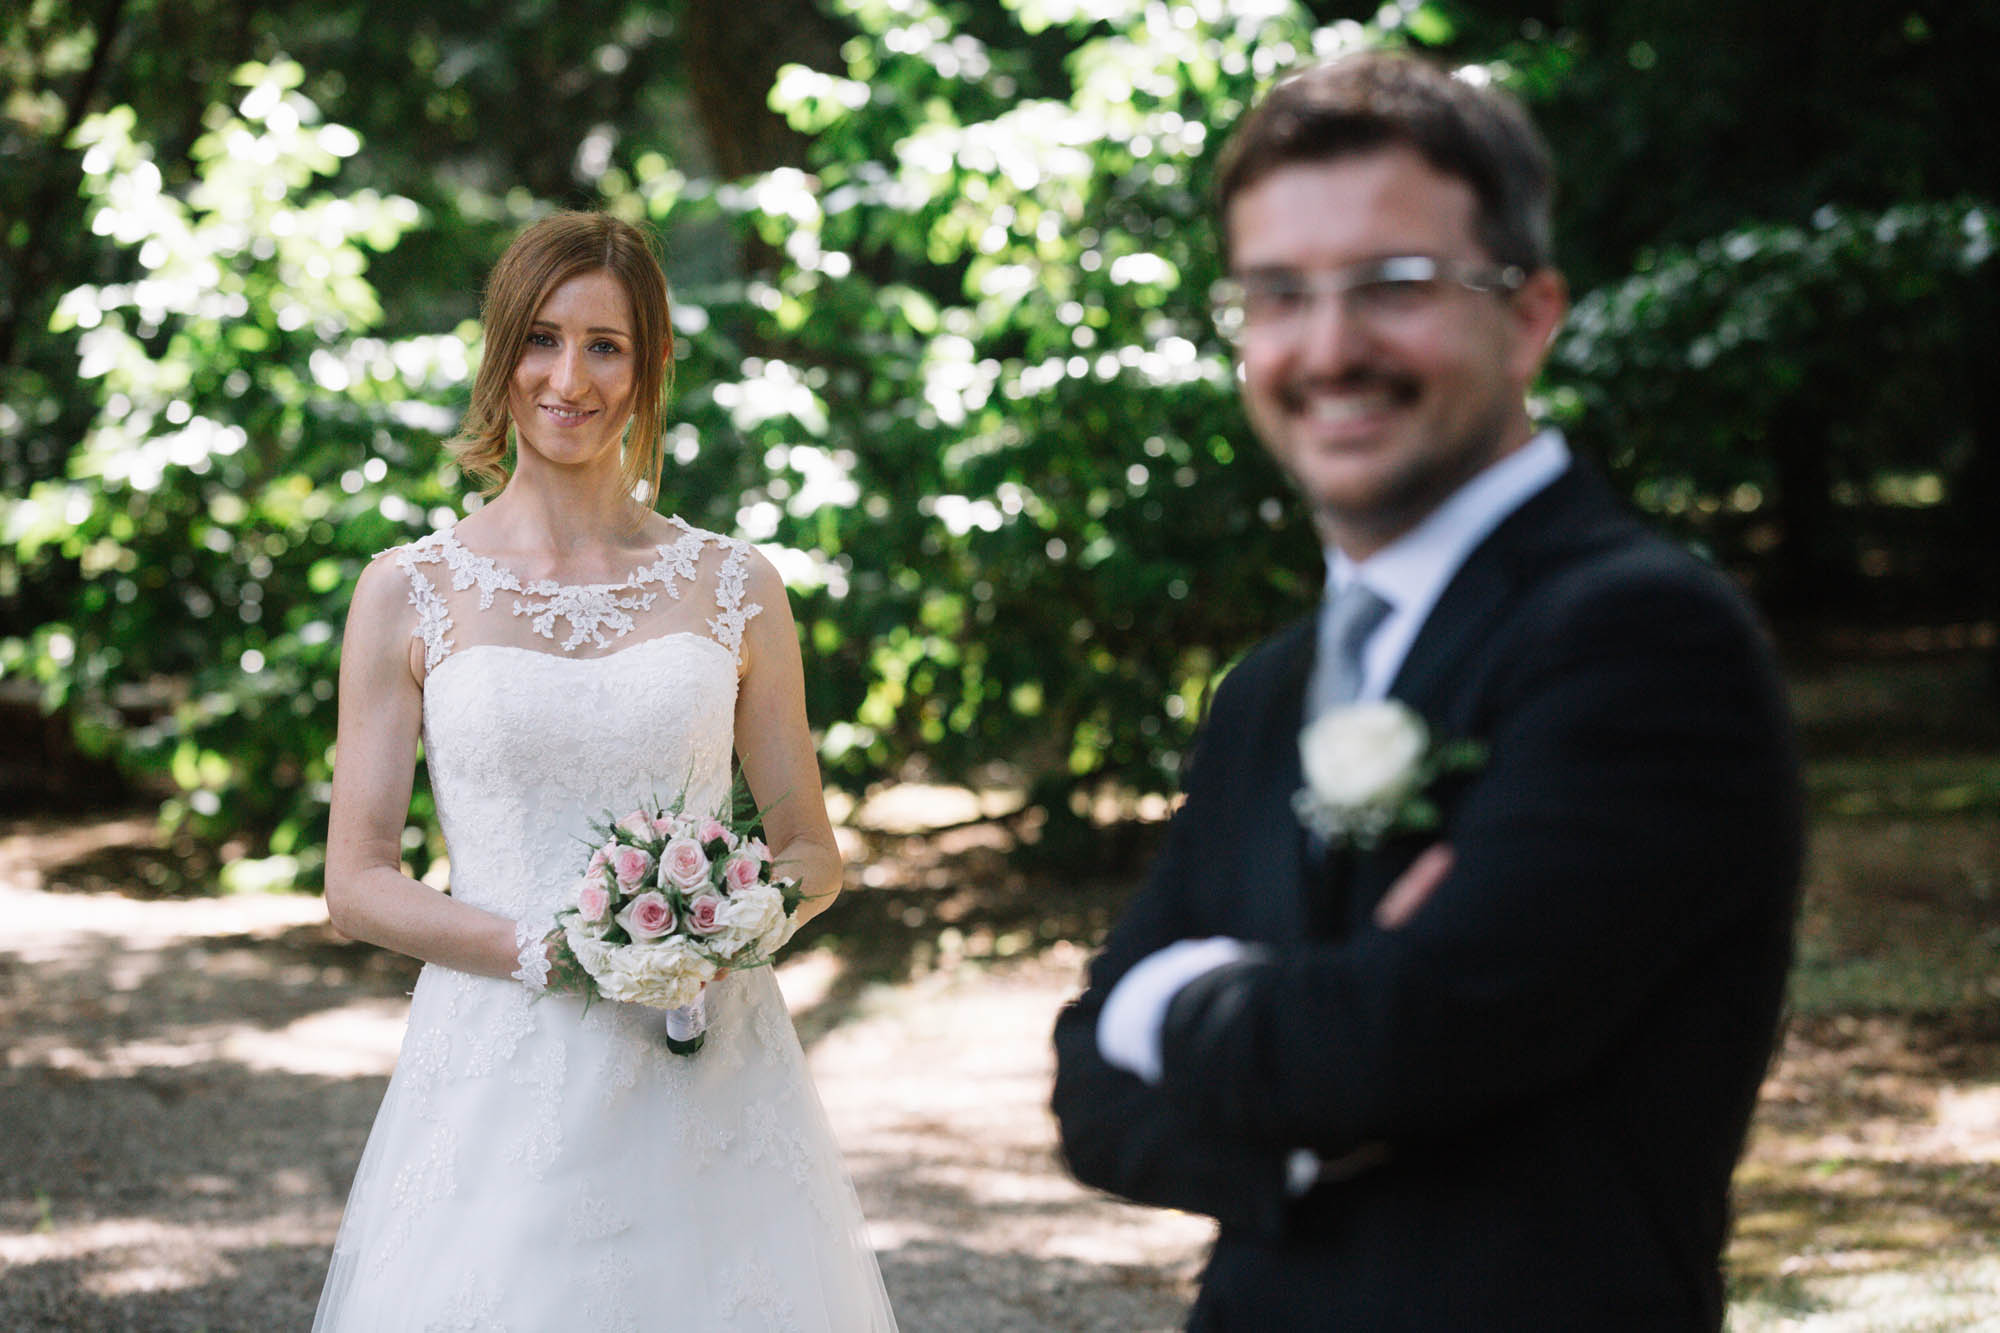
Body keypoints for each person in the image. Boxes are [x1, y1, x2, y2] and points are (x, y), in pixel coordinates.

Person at [1051, 50, 1800, 1331]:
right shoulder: (1263, 693)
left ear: (1527, 314)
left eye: (1391, 284)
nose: (1328, 347)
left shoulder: (1639, 636)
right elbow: (1085, 1096)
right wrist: (1304, 1089)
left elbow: (1400, 1040)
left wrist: (1165, 1002)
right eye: (1277, 295)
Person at [315, 212, 898, 1331]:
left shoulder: (736, 584)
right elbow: (358, 883)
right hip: (494, 1065)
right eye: (539, 338)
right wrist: (557, 950)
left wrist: (726, 930)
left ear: (651, 364)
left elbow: (810, 849)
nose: (566, 378)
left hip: (705, 1066)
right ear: (499, 354)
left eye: (605, 346)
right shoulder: (407, 590)